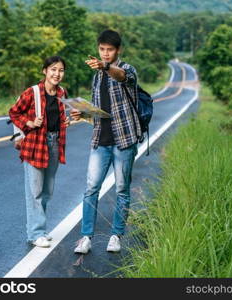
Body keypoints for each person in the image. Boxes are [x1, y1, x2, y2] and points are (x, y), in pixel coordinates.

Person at [71, 29, 141, 254]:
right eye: (102, 49)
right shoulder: (97, 75)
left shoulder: (126, 70)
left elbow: (121, 76)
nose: (105, 53)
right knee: (91, 188)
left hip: (124, 140)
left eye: (109, 50)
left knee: (122, 189)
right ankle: (85, 237)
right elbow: (100, 111)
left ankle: (116, 235)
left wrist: (106, 67)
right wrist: (83, 114)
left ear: (118, 50)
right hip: (100, 139)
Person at [9, 56, 70, 248]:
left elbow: (59, 118)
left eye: (60, 70)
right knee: (34, 191)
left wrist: (65, 122)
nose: (56, 74)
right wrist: (28, 122)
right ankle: (35, 234)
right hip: (35, 144)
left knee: (47, 191)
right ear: (45, 71)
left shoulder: (62, 93)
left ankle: (41, 230)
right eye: (53, 69)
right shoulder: (32, 92)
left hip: (54, 143)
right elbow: (14, 112)